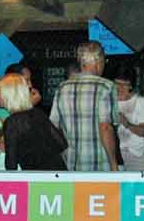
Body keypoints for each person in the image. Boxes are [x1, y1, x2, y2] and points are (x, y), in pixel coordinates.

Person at [49, 41, 119, 172]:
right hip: (98, 166)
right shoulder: (106, 86)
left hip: (70, 165)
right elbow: (105, 128)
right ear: (99, 61)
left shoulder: (62, 88)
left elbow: (53, 127)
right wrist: (114, 165)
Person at [0, 73, 67, 171]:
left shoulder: (12, 122)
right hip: (58, 170)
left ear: (8, 95)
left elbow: (11, 165)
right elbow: (61, 143)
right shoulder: (37, 113)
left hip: (38, 176)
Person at [112, 68, 144, 172]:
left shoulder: (139, 101)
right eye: (117, 83)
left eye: (124, 84)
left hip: (136, 155)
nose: (120, 88)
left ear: (130, 86)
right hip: (114, 155)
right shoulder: (108, 101)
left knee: (138, 183)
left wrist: (127, 124)